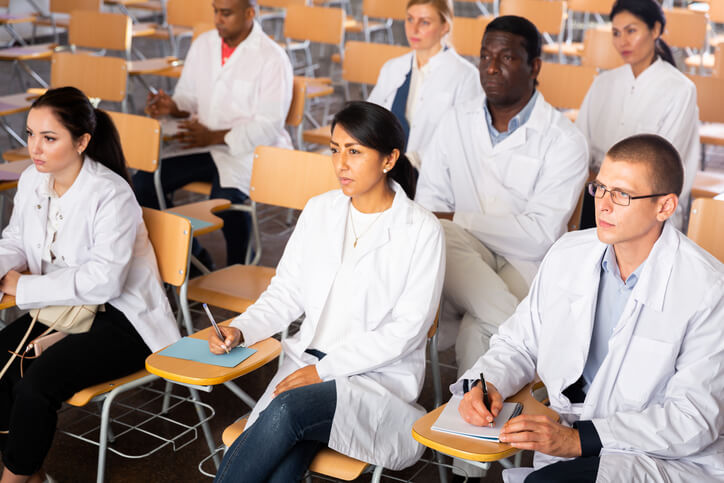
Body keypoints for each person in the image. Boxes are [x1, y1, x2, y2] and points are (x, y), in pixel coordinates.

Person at [456, 134, 724, 483]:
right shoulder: (568, 253)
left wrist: (579, 439)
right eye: (600, 188)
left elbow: (693, 418)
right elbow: (518, 342)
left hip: (659, 455)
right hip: (568, 435)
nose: (604, 205)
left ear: (665, 207)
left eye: (622, 194)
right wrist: (486, 383)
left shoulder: (707, 289)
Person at [209, 101, 445, 483]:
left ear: (389, 159)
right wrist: (242, 328)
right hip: (306, 368)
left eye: (355, 151)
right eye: (335, 150)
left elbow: (405, 331)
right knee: (284, 461)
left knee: (288, 411)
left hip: (373, 379)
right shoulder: (320, 211)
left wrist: (322, 372)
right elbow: (286, 292)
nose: (340, 164)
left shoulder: (421, 230)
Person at [415, 16, 588, 479]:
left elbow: (538, 234)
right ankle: (511, 321)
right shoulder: (456, 121)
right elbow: (429, 207)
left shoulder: (565, 140)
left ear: (535, 66)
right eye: (485, 57)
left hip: (526, 263)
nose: (492, 67)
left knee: (478, 330)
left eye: (507, 57)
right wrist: (457, 224)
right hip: (463, 250)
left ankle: (467, 468)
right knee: (437, 232)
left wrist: (463, 219)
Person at [0, 87, 181, 483]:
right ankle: (29, 471)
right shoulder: (33, 179)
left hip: (123, 320)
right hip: (65, 309)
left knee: (36, 383)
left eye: (49, 138)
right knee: (0, 363)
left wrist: (23, 288)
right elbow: (15, 239)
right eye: (30, 134)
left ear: (82, 141)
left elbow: (104, 282)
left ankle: (13, 479)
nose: (35, 148)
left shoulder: (110, 194)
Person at [134, 0, 293, 266]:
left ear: (250, 13)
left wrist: (214, 136)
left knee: (226, 202)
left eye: (226, 13)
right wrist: (173, 106)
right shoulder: (204, 44)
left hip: (249, 150)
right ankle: (195, 262)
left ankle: (238, 269)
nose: (218, 19)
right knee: (142, 185)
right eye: (215, 12)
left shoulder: (272, 58)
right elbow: (189, 97)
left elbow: (268, 125)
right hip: (203, 144)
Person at [576, 0, 699, 230]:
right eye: (616, 33)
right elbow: (579, 143)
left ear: (655, 30)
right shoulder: (603, 83)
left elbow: (663, 165)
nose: (623, 41)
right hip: (597, 197)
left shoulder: (680, 89)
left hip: (647, 204)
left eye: (631, 31)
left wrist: (612, 186)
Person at [367, 0, 481, 171]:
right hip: (386, 171)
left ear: (445, 27)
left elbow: (463, 142)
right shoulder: (392, 68)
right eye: (410, 19)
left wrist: (413, 160)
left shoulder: (465, 76)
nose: (414, 29)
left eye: (425, 22)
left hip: (433, 177)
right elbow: (369, 120)